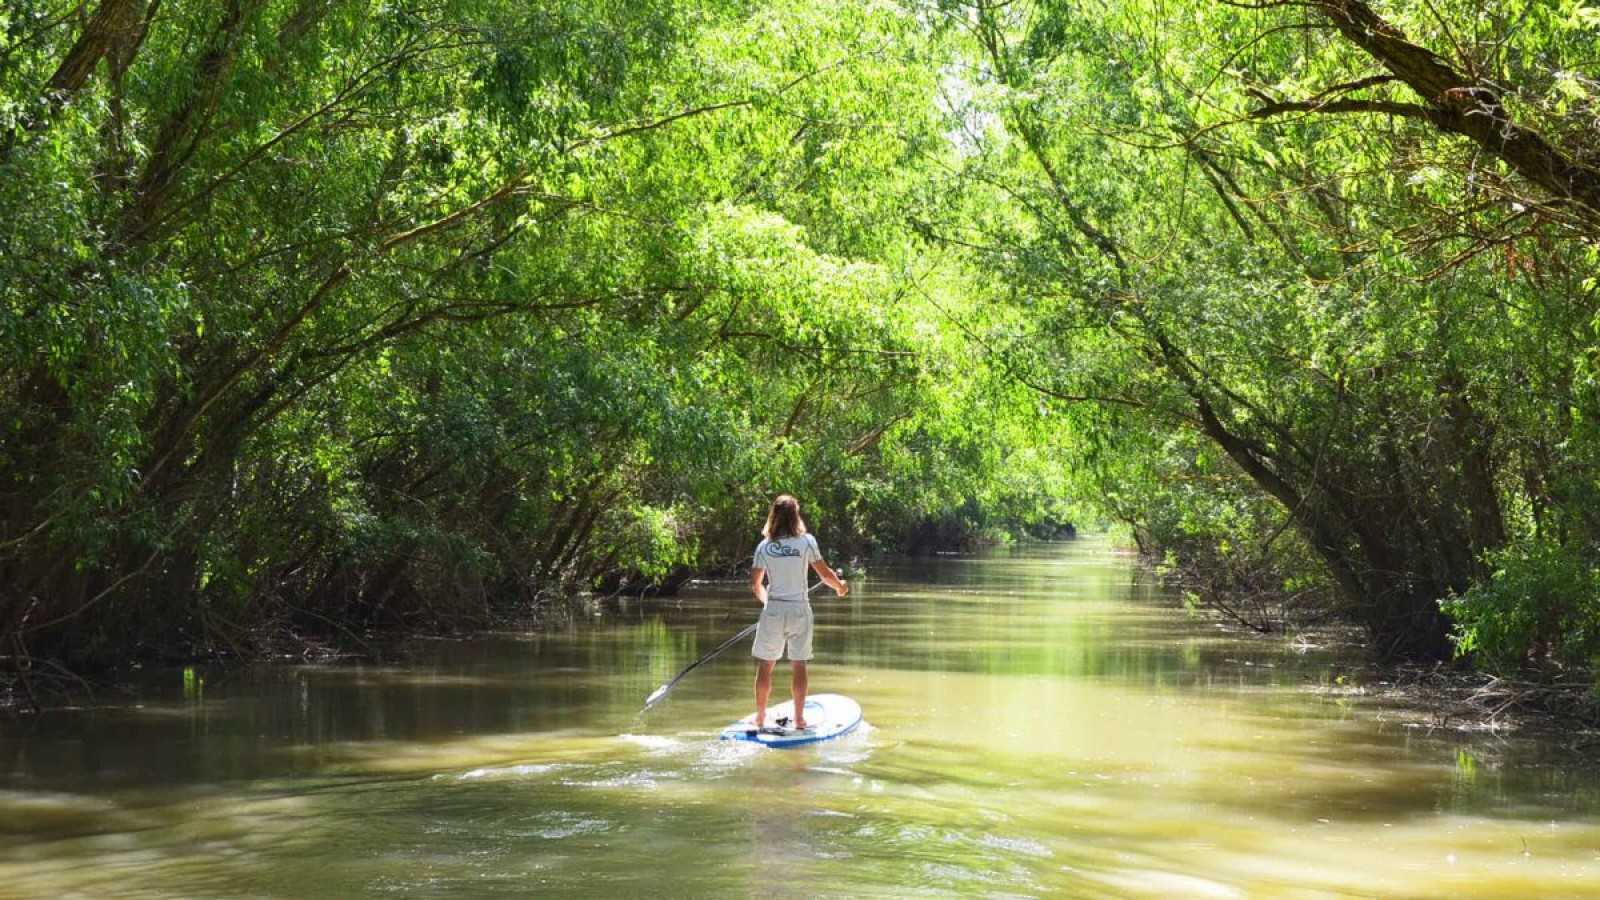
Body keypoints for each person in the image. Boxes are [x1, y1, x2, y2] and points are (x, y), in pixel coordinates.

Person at [749, 494, 848, 730]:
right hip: (799, 610)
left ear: (774, 516)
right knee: (799, 663)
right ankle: (800, 719)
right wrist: (840, 588)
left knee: (766, 665)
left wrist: (767, 604)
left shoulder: (764, 546)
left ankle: (760, 717)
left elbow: (755, 584)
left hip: (774, 608)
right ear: (796, 516)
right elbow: (824, 574)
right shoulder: (807, 542)